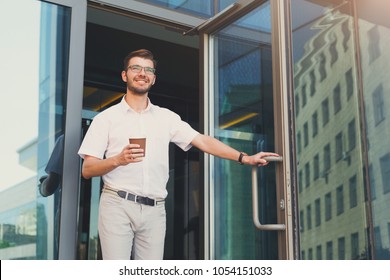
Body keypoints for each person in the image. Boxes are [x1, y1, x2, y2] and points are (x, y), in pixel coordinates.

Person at [78, 49, 280, 260]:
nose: (142, 73)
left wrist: (243, 157)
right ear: (124, 75)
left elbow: (202, 140)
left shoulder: (166, 118)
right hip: (117, 204)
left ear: (153, 79)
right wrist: (117, 160)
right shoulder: (106, 118)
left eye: (148, 69)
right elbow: (87, 169)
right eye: (135, 68)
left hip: (154, 210)